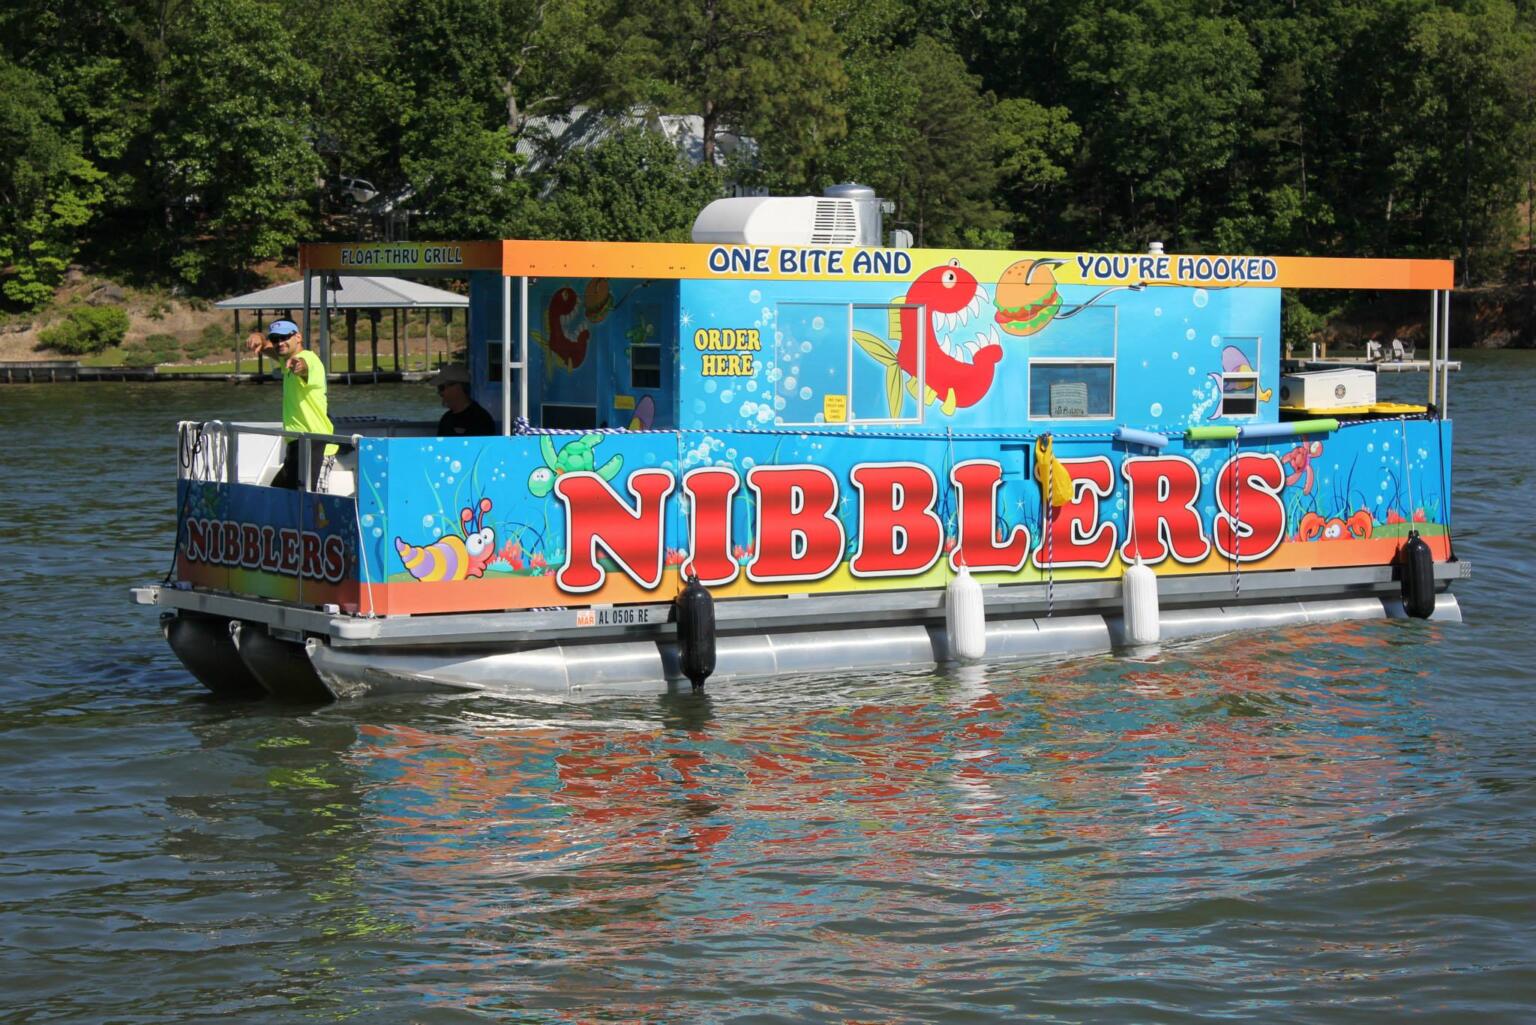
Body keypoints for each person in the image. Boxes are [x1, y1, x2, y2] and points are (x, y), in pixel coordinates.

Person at [245, 320, 336, 490]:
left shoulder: (309, 359)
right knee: (278, 497)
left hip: (316, 443)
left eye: (285, 337)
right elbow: (268, 347)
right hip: (296, 444)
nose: (280, 342)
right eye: (276, 338)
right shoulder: (284, 360)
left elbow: (305, 367)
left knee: (311, 501)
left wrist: (299, 366)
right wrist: (260, 338)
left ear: (298, 337)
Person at [430, 363, 497, 436]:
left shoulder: (481, 419)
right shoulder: (446, 419)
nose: (440, 393)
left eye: (441, 388)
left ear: (458, 388)